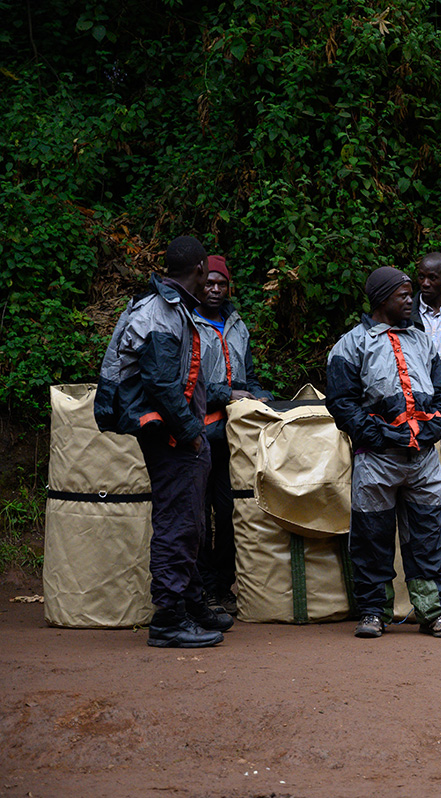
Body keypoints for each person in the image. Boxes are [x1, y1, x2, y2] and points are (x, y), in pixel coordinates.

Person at [94, 235, 234, 647]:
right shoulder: (161, 313)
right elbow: (160, 383)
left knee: (188, 522)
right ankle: (169, 618)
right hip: (170, 437)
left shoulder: (170, 307)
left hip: (176, 434)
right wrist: (191, 435)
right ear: (198, 270)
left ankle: (190, 603)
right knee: (177, 524)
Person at [326, 266, 441, 639]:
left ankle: (434, 613)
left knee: (427, 538)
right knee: (372, 538)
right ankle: (373, 612)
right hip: (376, 461)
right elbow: (341, 403)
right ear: (382, 299)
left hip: (422, 461)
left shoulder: (421, 340)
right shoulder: (351, 345)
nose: (411, 301)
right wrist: (380, 435)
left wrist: (433, 429)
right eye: (403, 295)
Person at [193, 255, 273, 616]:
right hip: (197, 432)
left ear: (229, 287)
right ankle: (200, 590)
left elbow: (249, 377)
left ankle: (221, 587)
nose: (214, 289)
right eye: (208, 283)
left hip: (234, 437)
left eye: (220, 284)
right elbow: (183, 383)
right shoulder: (187, 322)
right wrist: (228, 394)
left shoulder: (237, 323)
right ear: (198, 284)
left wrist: (261, 397)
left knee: (228, 513)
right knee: (196, 516)